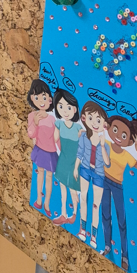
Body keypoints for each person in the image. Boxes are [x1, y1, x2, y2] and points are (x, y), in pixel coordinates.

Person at [101, 115, 137, 272]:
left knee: (121, 221)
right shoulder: (106, 143)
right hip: (104, 181)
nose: (119, 136)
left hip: (117, 186)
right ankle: (107, 245)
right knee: (105, 215)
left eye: (124, 135)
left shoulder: (127, 155)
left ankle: (124, 256)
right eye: (115, 130)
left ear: (130, 140)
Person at [74, 101, 110, 249]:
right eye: (90, 118)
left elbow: (107, 163)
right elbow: (80, 153)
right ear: (84, 118)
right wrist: (75, 168)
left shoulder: (105, 145)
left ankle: (94, 236)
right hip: (84, 169)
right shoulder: (84, 137)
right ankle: (82, 229)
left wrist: (102, 146)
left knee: (96, 205)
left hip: (99, 174)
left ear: (104, 124)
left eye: (98, 120)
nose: (94, 123)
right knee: (83, 198)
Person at [51, 88, 82, 226]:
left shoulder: (78, 128)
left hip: (73, 162)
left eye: (69, 107)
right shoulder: (59, 124)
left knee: (73, 190)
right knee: (62, 188)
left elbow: (83, 145)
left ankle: (74, 213)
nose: (65, 111)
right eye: (61, 106)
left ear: (74, 109)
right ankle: (63, 213)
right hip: (63, 160)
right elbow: (54, 139)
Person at [27, 79, 57, 216]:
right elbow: (31, 134)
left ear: (50, 99)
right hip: (39, 149)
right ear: (32, 98)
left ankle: (47, 204)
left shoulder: (52, 119)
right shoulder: (32, 116)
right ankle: (39, 199)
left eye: (44, 97)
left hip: (50, 152)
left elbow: (56, 138)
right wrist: (35, 123)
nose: (41, 101)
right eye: (37, 98)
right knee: (40, 174)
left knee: (49, 176)